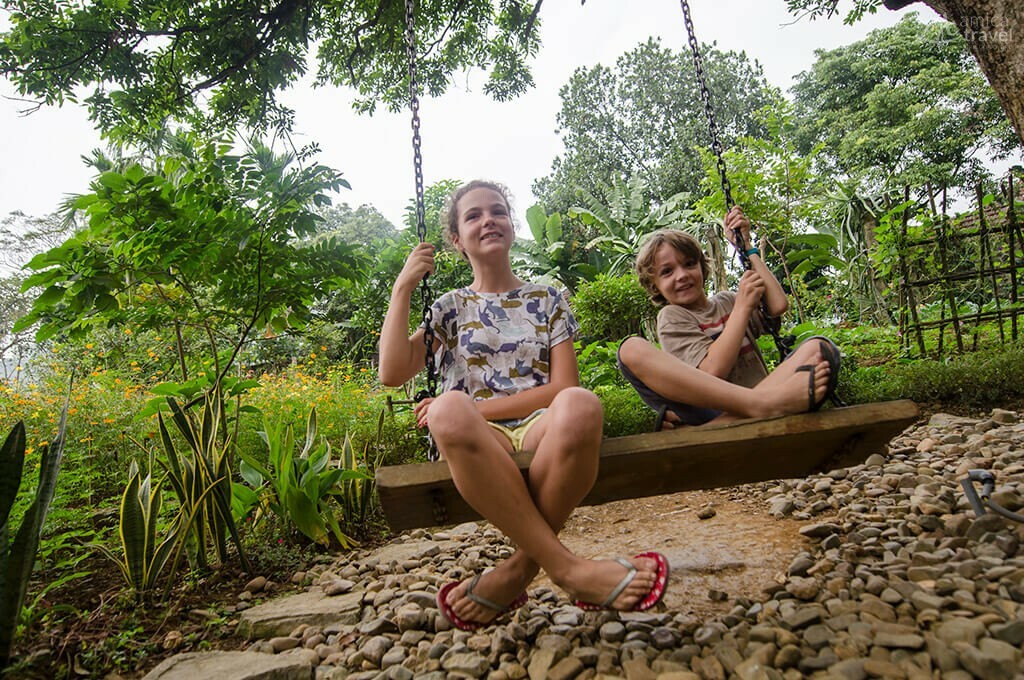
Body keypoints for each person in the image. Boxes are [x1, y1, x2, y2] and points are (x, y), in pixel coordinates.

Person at [378, 180, 669, 630]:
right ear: (456, 239)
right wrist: (403, 287)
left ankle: (517, 572)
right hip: (477, 439)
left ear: (512, 227)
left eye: (497, 211)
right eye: (473, 215)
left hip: (540, 425)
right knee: (448, 408)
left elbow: (562, 386)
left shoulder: (547, 298)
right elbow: (392, 372)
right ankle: (570, 570)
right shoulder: (450, 306)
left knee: (581, 402)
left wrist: (480, 408)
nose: (488, 219)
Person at [618, 206, 840, 429]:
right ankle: (752, 409)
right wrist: (742, 308)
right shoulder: (672, 316)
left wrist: (746, 247)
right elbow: (711, 372)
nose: (682, 275)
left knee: (819, 348)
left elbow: (778, 305)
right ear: (654, 286)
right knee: (629, 348)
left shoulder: (727, 301)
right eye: (667, 272)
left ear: (702, 267)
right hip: (715, 409)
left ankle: (742, 416)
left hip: (766, 395)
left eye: (689, 264)